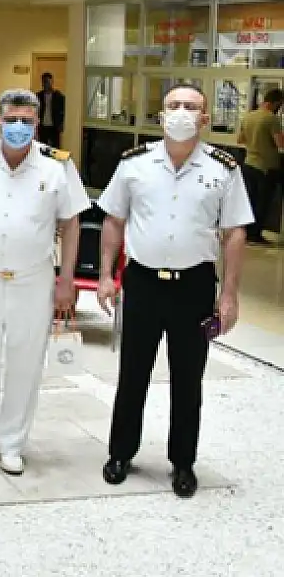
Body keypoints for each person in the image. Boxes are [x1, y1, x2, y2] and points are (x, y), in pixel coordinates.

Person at [96, 85, 253, 499]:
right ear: (161, 114)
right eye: (173, 105)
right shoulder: (134, 163)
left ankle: (183, 462)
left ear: (205, 118)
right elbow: (113, 220)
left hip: (194, 288)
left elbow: (234, 233)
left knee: (188, 378)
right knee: (133, 373)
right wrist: (107, 275)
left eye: (191, 106)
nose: (182, 112)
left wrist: (229, 295)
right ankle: (120, 453)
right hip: (143, 283)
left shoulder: (224, 168)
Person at [0, 89, 90, 475]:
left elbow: (71, 223)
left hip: (34, 278)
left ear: (37, 124)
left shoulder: (57, 167)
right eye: (11, 120)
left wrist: (67, 278)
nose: (18, 127)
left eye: (26, 121)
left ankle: (11, 443)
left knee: (25, 360)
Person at [236, 88, 284, 244]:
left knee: (249, 200)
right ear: (276, 103)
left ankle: (246, 232)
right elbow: (280, 143)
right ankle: (255, 234)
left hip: (248, 163)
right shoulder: (271, 119)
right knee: (262, 202)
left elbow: (240, 139)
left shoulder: (249, 116)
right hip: (265, 167)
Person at [35, 72, 66, 148]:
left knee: (55, 148)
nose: (45, 84)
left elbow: (64, 111)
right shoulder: (38, 96)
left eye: (47, 82)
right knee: (42, 147)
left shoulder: (58, 96)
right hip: (42, 126)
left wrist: (62, 123)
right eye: (44, 82)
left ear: (52, 82)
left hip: (54, 127)